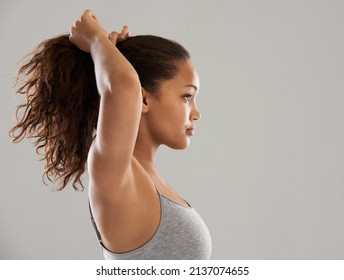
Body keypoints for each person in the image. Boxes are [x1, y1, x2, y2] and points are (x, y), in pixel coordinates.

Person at [9, 10, 211, 260]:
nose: (196, 113)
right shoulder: (114, 170)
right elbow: (124, 84)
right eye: (187, 97)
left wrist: (108, 51)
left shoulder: (148, 178)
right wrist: (96, 39)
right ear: (144, 98)